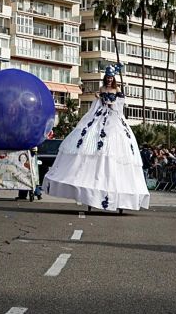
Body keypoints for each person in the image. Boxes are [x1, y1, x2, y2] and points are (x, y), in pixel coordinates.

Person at [42, 64, 150, 214]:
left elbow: (120, 105)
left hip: (113, 118)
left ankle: (116, 195)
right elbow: (96, 104)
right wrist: (100, 100)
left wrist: (112, 103)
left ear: (113, 79)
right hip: (100, 116)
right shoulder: (102, 90)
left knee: (115, 147)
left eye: (111, 78)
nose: (109, 80)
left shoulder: (116, 90)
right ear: (105, 78)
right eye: (107, 78)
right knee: (89, 142)